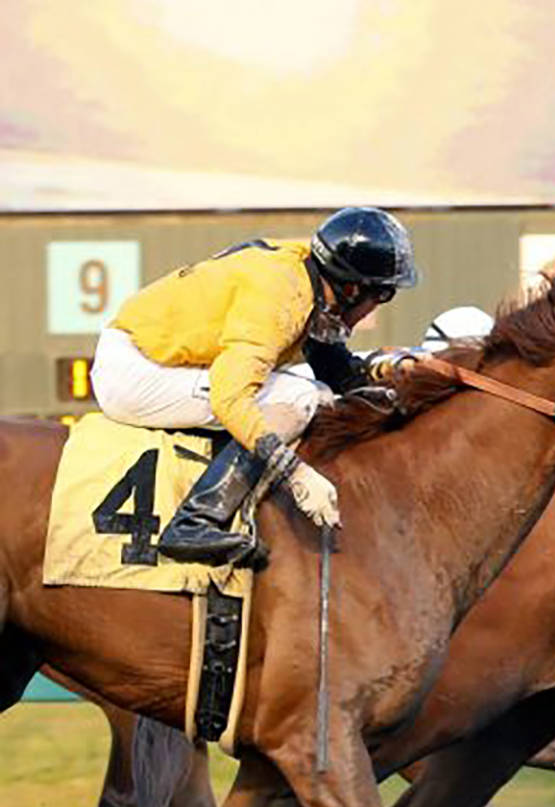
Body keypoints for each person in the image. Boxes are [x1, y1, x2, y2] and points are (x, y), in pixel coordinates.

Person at [89, 206, 420, 566]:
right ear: (354, 288)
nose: (375, 310)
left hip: (151, 357)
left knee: (318, 393)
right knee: (300, 396)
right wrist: (296, 473)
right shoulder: (281, 297)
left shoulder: (307, 278)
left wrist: (394, 371)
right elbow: (229, 398)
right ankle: (194, 521)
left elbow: (339, 373)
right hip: (135, 371)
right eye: (382, 296)